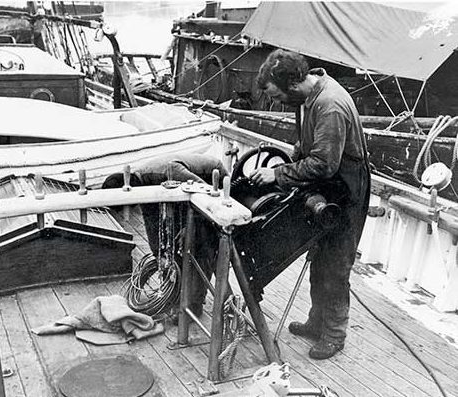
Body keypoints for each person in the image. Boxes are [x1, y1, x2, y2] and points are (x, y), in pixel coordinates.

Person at [251, 49, 370, 359]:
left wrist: (277, 174)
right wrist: (293, 158)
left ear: (291, 83)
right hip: (328, 186)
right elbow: (306, 146)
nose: (276, 102)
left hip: (345, 191)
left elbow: (324, 164)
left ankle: (334, 335)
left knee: (335, 265)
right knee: (320, 257)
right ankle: (317, 324)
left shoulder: (330, 104)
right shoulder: (306, 97)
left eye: (277, 96)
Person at [102, 153, 229, 317]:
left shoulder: (169, 171)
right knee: (171, 248)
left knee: (198, 247)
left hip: (212, 181)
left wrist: (191, 227)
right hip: (186, 193)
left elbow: (205, 195)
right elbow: (152, 222)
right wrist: (159, 255)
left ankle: (194, 305)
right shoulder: (142, 187)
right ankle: (176, 297)